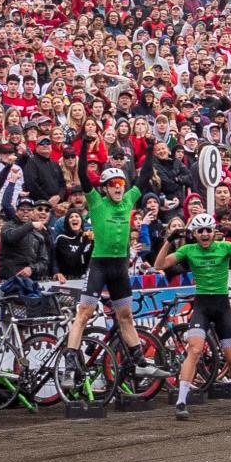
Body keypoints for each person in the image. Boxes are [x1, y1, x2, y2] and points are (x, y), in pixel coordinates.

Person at [62, 134, 167, 385]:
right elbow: (84, 176)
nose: (119, 186)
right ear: (106, 188)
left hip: (119, 267)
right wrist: (86, 147)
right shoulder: (97, 202)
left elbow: (143, 176)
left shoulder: (129, 200)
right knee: (84, 313)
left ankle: (140, 362)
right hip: (99, 265)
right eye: (114, 184)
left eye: (121, 182)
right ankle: (69, 364)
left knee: (126, 317)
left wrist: (150, 148)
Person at [156, 213, 231, 419]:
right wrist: (169, 240)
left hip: (221, 306)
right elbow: (159, 265)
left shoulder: (225, 247)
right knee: (194, 351)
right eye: (200, 231)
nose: (204, 234)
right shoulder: (188, 249)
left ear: (214, 233)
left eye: (208, 230)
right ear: (194, 234)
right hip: (202, 304)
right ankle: (181, 401)